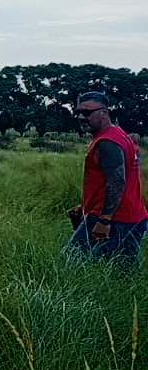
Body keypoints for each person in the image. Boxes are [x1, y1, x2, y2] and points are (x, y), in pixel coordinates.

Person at [66, 91, 147, 263]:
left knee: (71, 262)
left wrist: (104, 221)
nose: (81, 117)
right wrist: (85, 206)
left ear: (103, 113)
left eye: (87, 112)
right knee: (121, 270)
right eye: (78, 112)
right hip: (130, 216)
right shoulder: (118, 134)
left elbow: (117, 182)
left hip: (114, 218)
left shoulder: (107, 142)